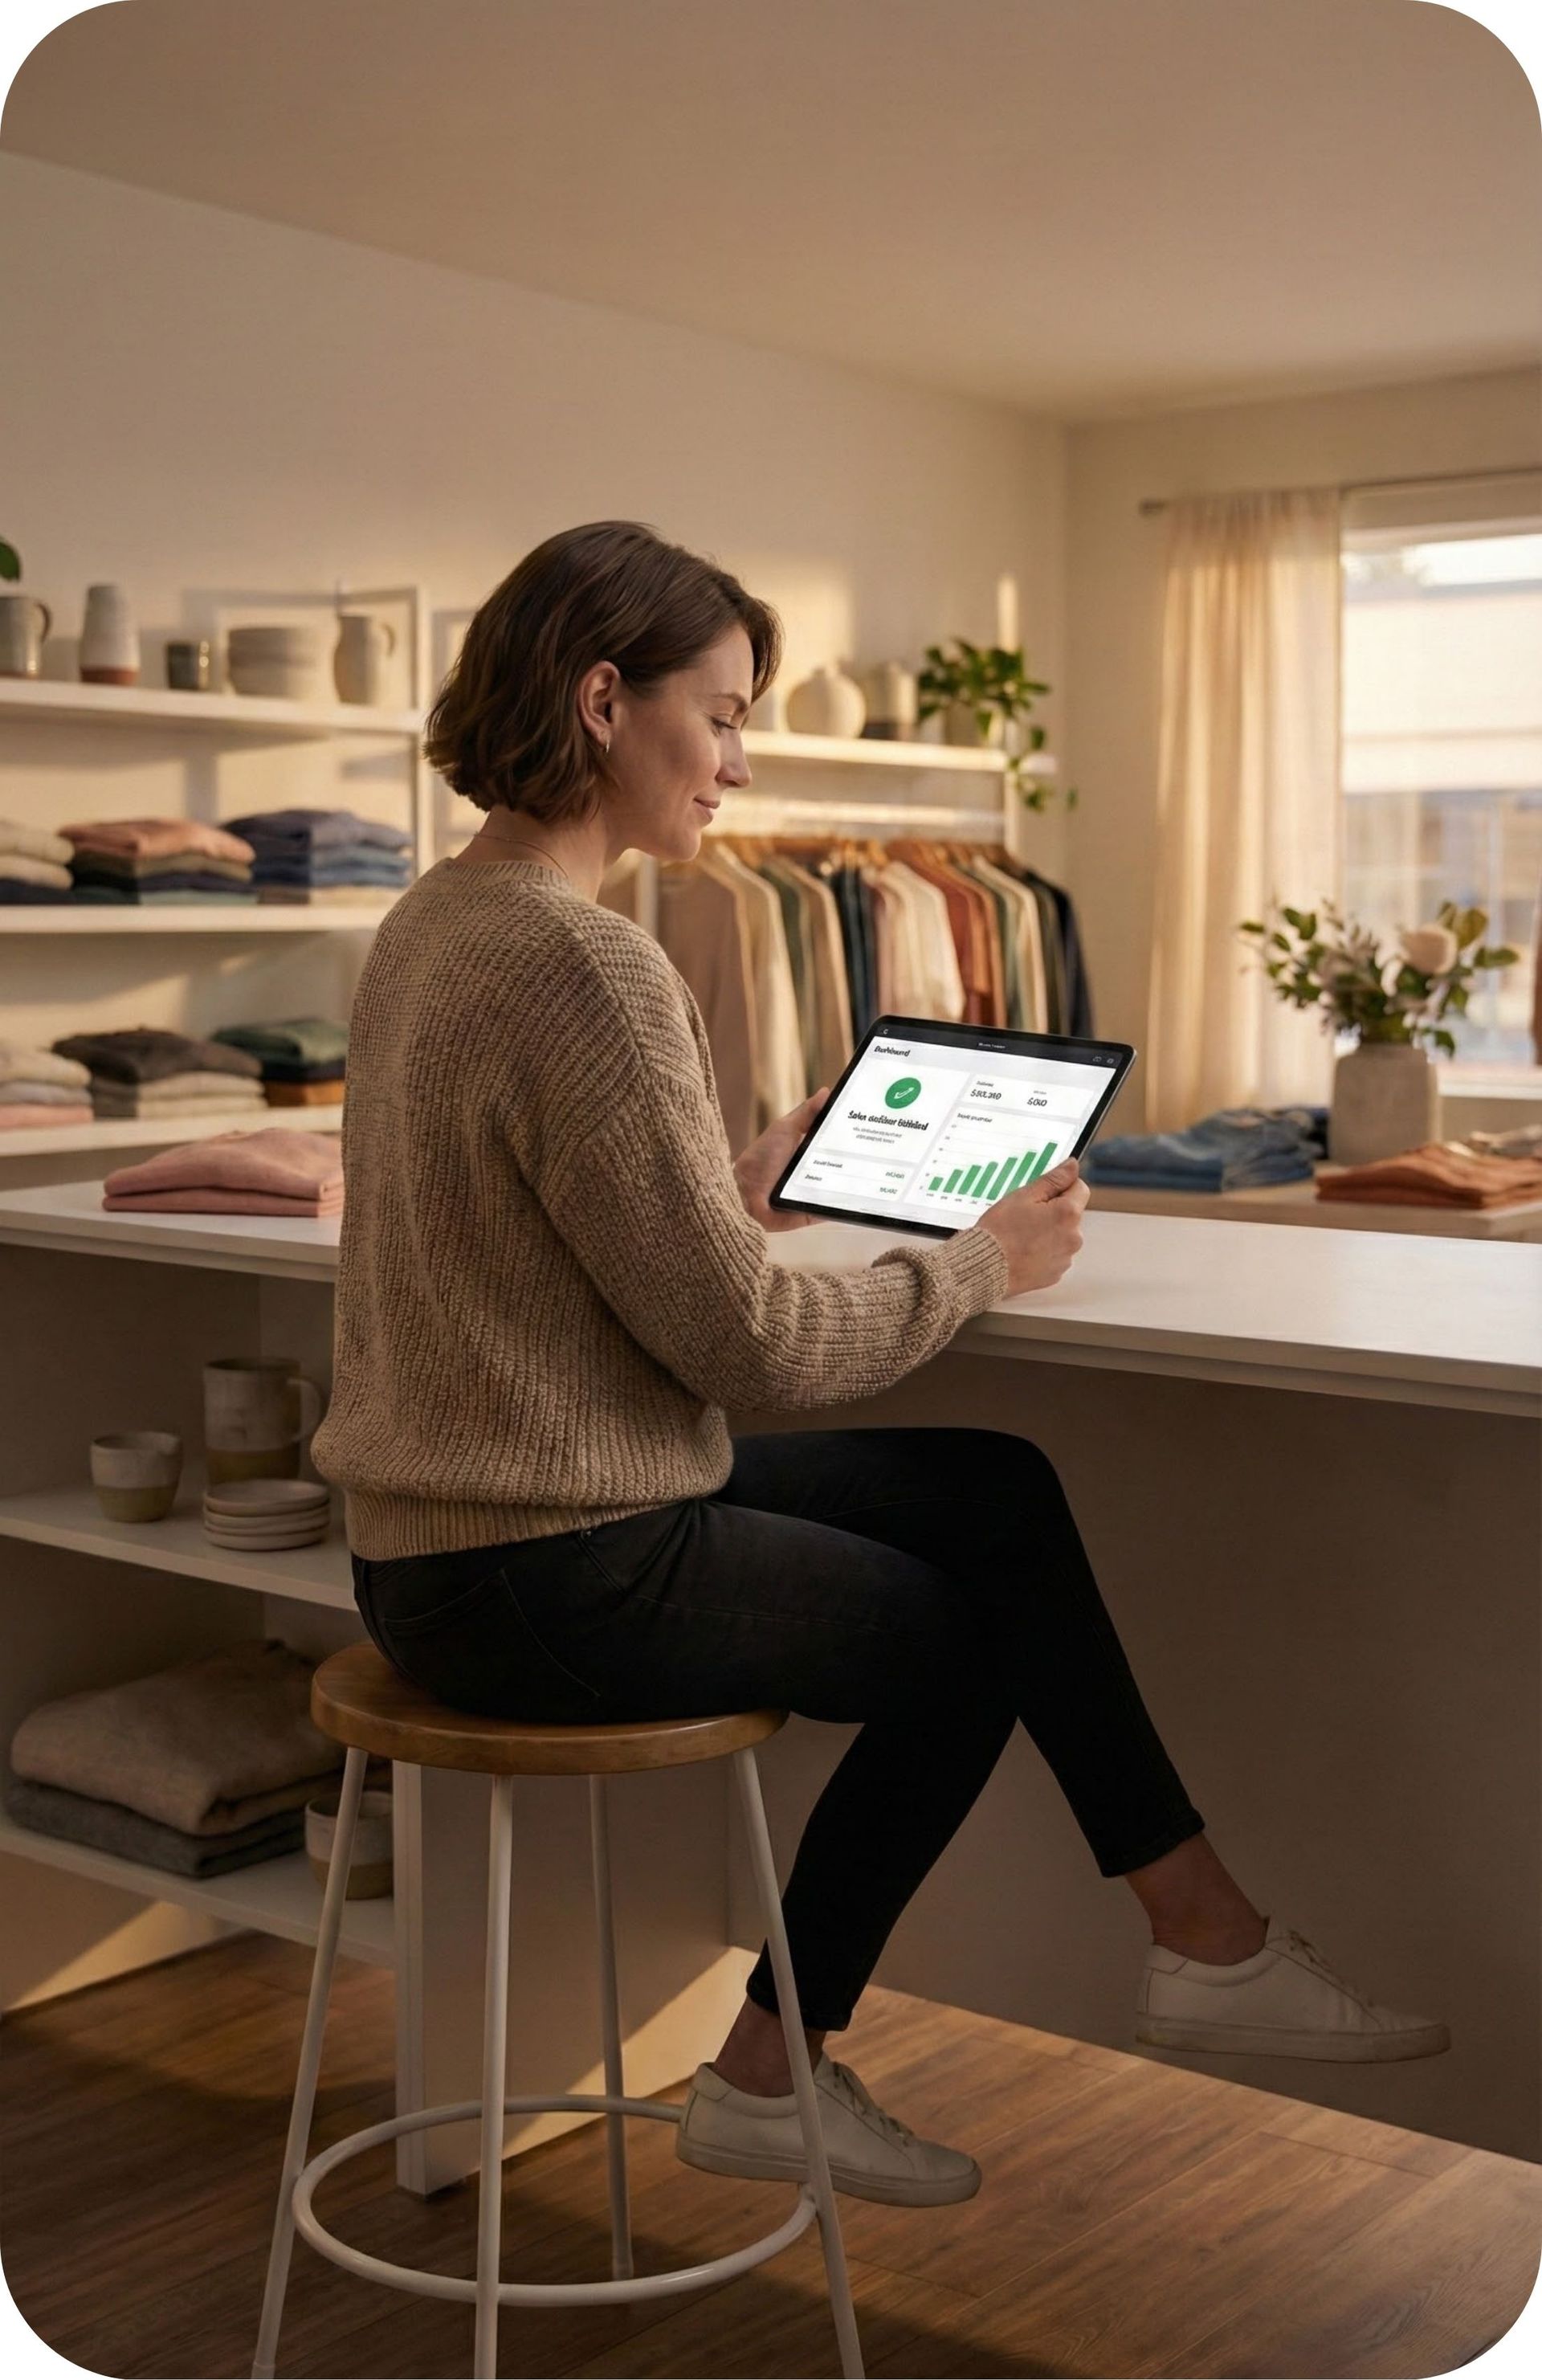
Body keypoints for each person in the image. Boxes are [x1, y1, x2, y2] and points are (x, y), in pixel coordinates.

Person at [312, 520, 1449, 2210]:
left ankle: (1200, 1931)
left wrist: (726, 1194)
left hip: (447, 1550)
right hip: (549, 1567)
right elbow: (748, 1351)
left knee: (997, 1489)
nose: (741, 763)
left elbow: (523, 1255)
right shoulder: (587, 962)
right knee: (968, 1644)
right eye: (722, 715)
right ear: (605, 702)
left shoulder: (435, 923)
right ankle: (787, 2065)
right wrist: (983, 1263)